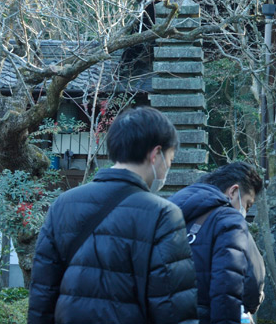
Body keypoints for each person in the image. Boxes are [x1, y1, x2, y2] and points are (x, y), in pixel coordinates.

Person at [28, 107, 197, 324]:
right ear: (155, 154)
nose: (167, 170)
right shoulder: (164, 215)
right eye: (170, 160)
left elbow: (42, 295)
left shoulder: (63, 204)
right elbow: (173, 309)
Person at [170, 162, 266, 324]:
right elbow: (251, 284)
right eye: (247, 205)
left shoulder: (166, 209)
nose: (245, 213)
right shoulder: (229, 220)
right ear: (234, 191)